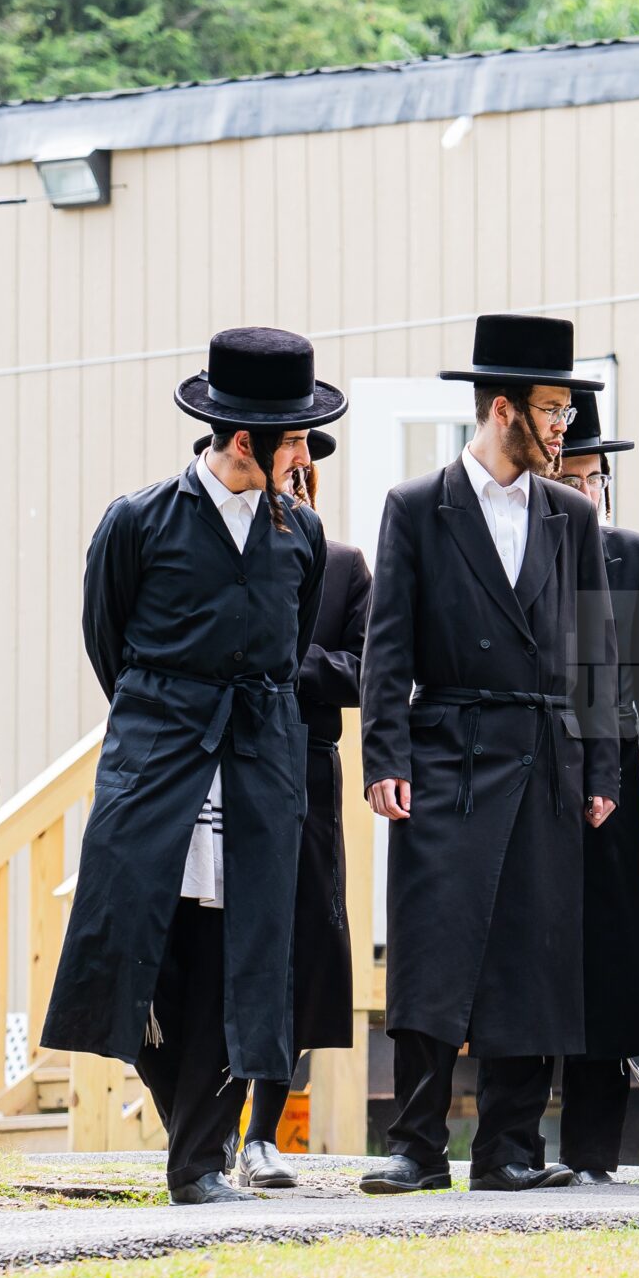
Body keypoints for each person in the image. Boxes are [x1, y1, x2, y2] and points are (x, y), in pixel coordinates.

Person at [44, 327, 340, 1204]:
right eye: (295, 439)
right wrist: (167, 713)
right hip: (157, 761)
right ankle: (195, 1135)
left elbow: (290, 646)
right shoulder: (138, 520)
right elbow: (107, 641)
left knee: (237, 958)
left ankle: (199, 1162)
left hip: (260, 768)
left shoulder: (303, 534)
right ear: (245, 439)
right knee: (141, 951)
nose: (306, 456)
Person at [358, 314, 620, 1195]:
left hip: (545, 757)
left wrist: (603, 768)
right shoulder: (416, 506)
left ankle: (510, 1147)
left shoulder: (571, 515)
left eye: (567, 412)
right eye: (550, 410)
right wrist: (384, 755)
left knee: (532, 953)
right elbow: (386, 646)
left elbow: (596, 651)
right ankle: (416, 1145)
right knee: (433, 947)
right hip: (447, 753)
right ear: (502, 409)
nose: (563, 427)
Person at [551, 386, 639, 1181]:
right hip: (538, 770)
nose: (581, 492)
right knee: (542, 950)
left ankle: (593, 1151)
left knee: (609, 955)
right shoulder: (519, 549)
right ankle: (516, 1144)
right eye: (566, 478)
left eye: (591, 478)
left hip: (618, 771)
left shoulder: (633, 555)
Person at [229, 429, 367, 1190]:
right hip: (228, 763)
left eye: (306, 465)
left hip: (310, 769)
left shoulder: (343, 566)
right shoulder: (224, 556)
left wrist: (290, 658)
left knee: (296, 947)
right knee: (223, 940)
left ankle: (261, 1133)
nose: (299, 473)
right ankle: (210, 1124)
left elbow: (365, 669)